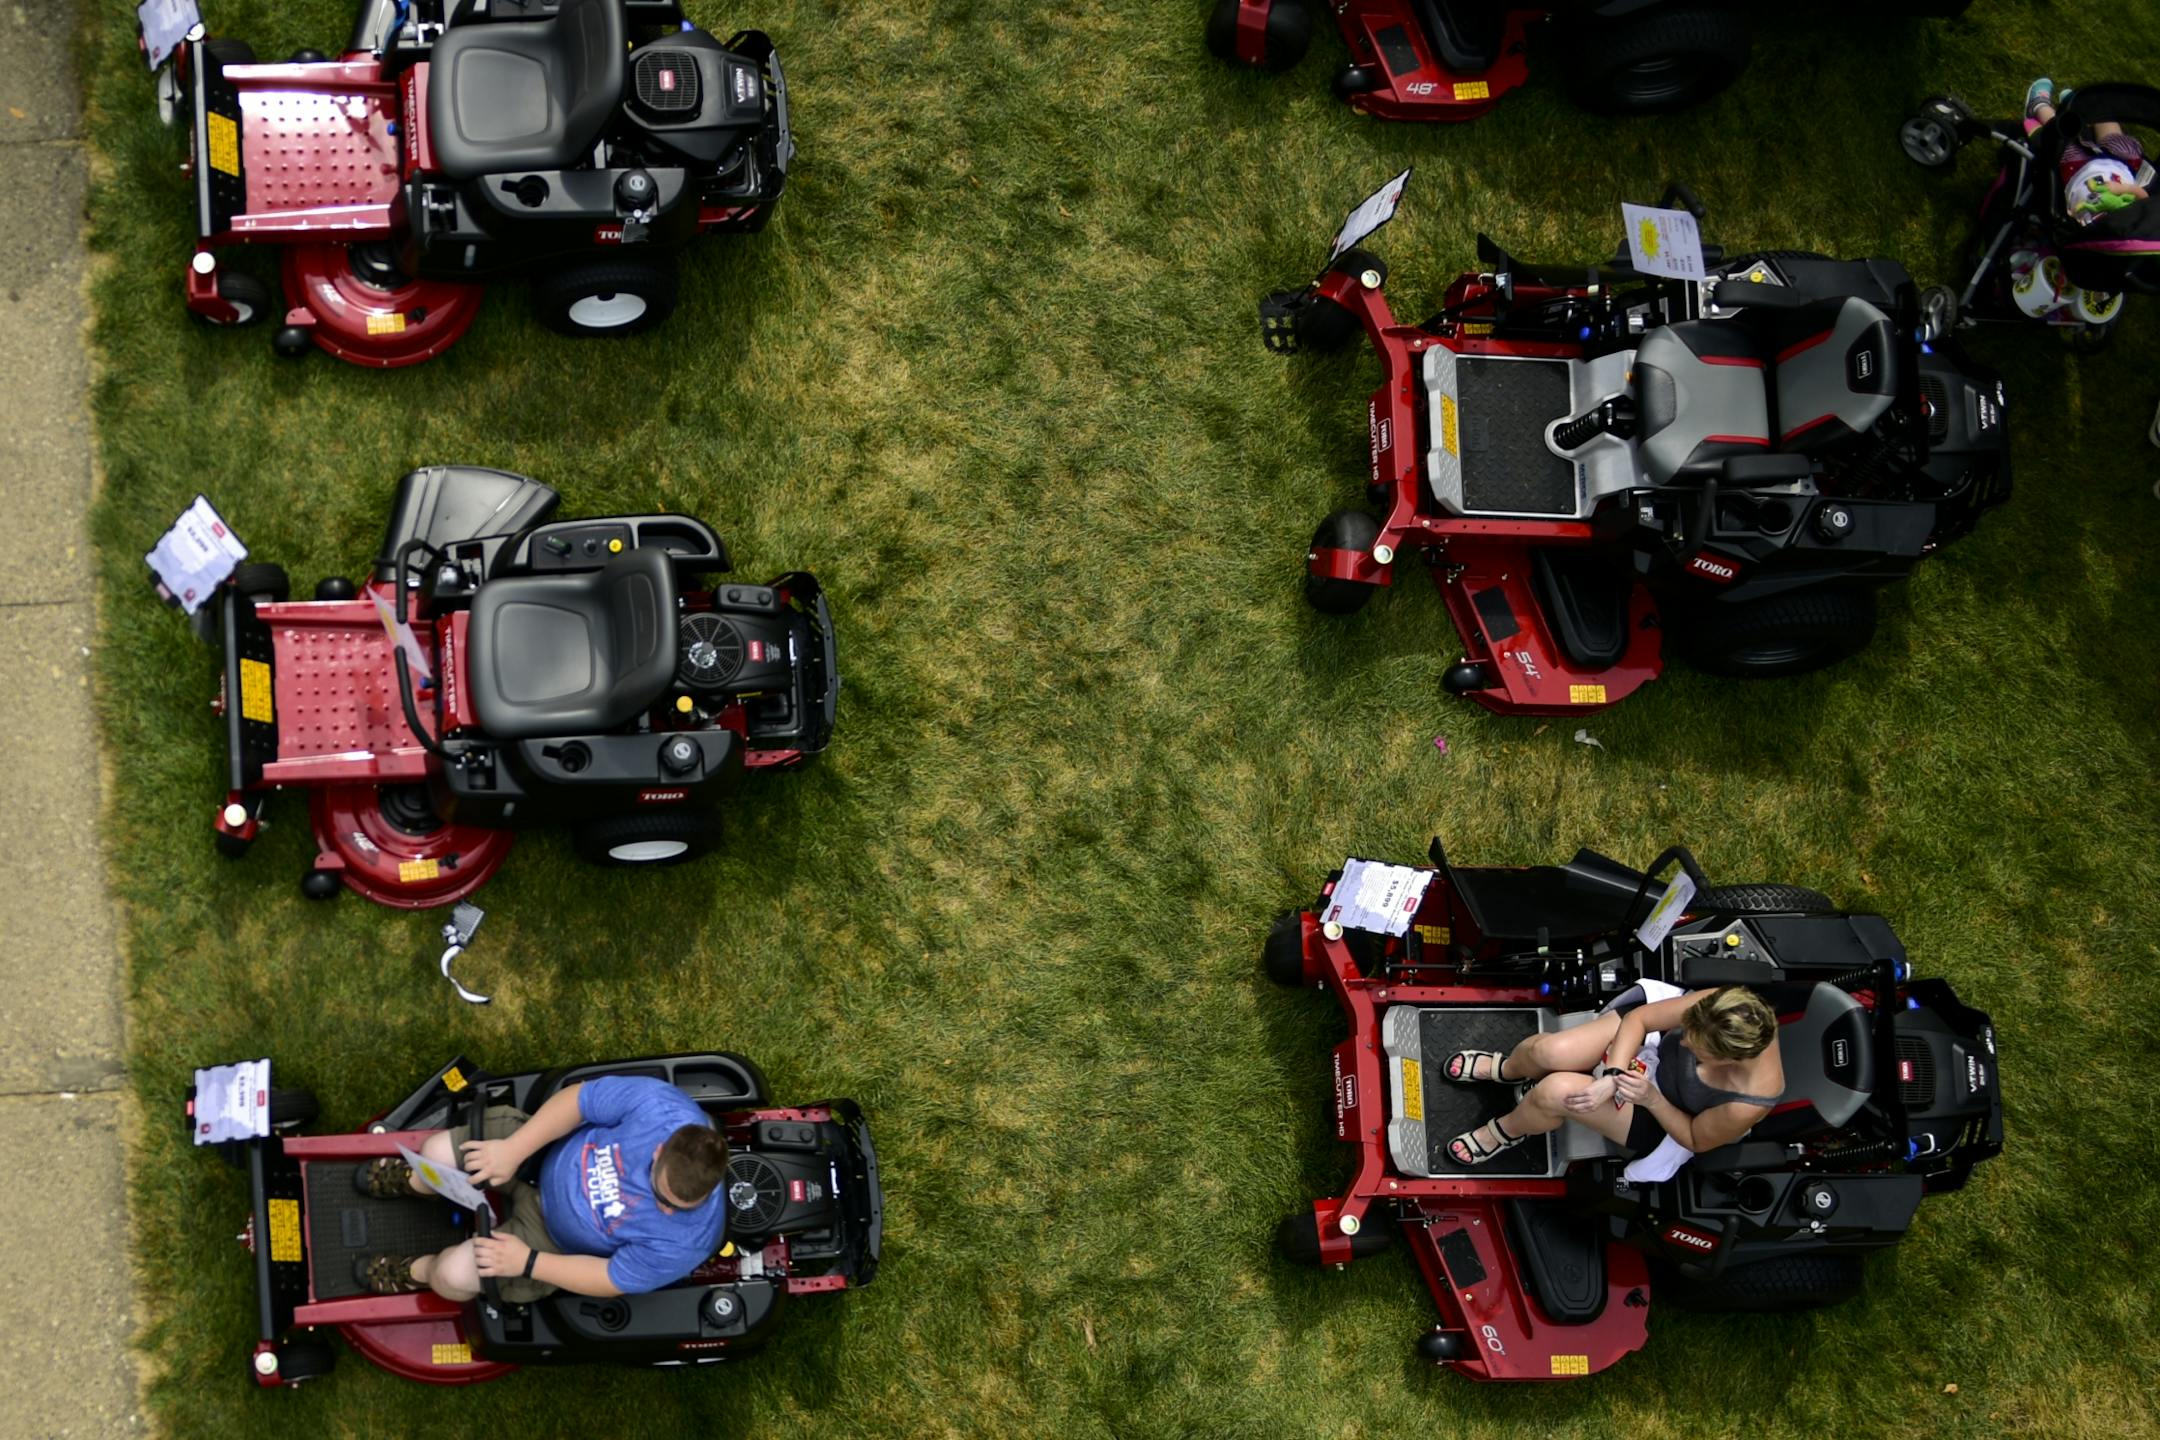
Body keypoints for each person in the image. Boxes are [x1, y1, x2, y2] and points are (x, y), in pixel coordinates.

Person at [351, 1075, 732, 1303]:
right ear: (659, 1148)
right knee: (434, 1153)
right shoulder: (661, 1108)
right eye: (662, 1196)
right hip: (541, 1153)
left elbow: (610, 1278)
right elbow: (579, 1101)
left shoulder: (688, 1241)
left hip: (549, 1241)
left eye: (680, 1207)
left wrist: (528, 1263)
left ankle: (410, 1272)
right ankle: (416, 1183)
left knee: (451, 1275)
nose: (666, 1210)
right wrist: (513, 1151)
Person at [1439, 985, 1782, 1168]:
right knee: (1548, 1053)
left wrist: (1651, 1098)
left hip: (1661, 1113)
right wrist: (1612, 1074)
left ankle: (1508, 1131)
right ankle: (1507, 1070)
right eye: (1689, 1029)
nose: (1686, 1040)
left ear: (1728, 1059)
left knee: (1556, 1091)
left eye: (1697, 1046)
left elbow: (1694, 1138)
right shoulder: (1724, 1007)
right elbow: (1642, 1021)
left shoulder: (1746, 1103)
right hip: (1643, 1056)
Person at [2027, 78, 2151, 222]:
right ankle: (2084, 106)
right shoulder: (2137, 222)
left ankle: (2038, 106)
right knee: (2120, 141)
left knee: (2061, 141)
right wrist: (2122, 190)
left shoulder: (2092, 232)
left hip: (2077, 170)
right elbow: (2144, 198)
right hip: (2120, 165)